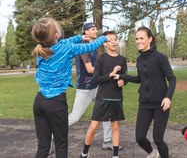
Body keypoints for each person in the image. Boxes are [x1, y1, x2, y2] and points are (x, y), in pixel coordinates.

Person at [32, 18, 108, 158]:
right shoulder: (67, 49)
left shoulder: (41, 48)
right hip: (56, 102)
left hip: (39, 101)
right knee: (61, 144)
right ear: (56, 34)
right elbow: (89, 47)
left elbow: (63, 43)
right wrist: (104, 37)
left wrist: (80, 37)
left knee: (43, 146)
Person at [49, 23, 113, 155]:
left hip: (96, 86)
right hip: (85, 88)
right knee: (75, 117)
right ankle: (51, 136)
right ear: (85, 32)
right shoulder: (84, 48)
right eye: (92, 29)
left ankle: (107, 141)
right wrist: (107, 71)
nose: (95, 31)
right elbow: (90, 69)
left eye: (96, 29)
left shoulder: (92, 46)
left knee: (107, 113)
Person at [115, 26, 176, 158]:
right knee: (140, 137)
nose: (138, 41)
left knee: (158, 139)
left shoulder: (160, 58)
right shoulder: (139, 59)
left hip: (161, 104)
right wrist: (123, 76)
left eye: (141, 38)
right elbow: (140, 79)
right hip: (144, 103)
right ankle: (153, 154)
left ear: (150, 39)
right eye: (136, 39)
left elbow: (172, 79)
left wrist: (168, 97)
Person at [79, 31, 127, 158]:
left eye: (115, 39)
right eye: (110, 40)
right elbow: (96, 79)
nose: (114, 42)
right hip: (102, 97)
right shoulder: (101, 58)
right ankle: (84, 153)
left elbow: (124, 77)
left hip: (116, 98)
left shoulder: (122, 59)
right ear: (105, 43)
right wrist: (110, 75)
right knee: (93, 126)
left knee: (115, 127)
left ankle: (115, 155)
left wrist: (123, 81)